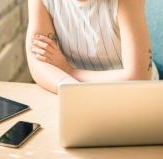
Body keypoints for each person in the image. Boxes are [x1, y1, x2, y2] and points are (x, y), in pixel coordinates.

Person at [26, 0, 159, 94]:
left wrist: (71, 71)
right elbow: (38, 61)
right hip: (71, 85)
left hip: (129, 91)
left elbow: (137, 77)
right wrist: (72, 88)